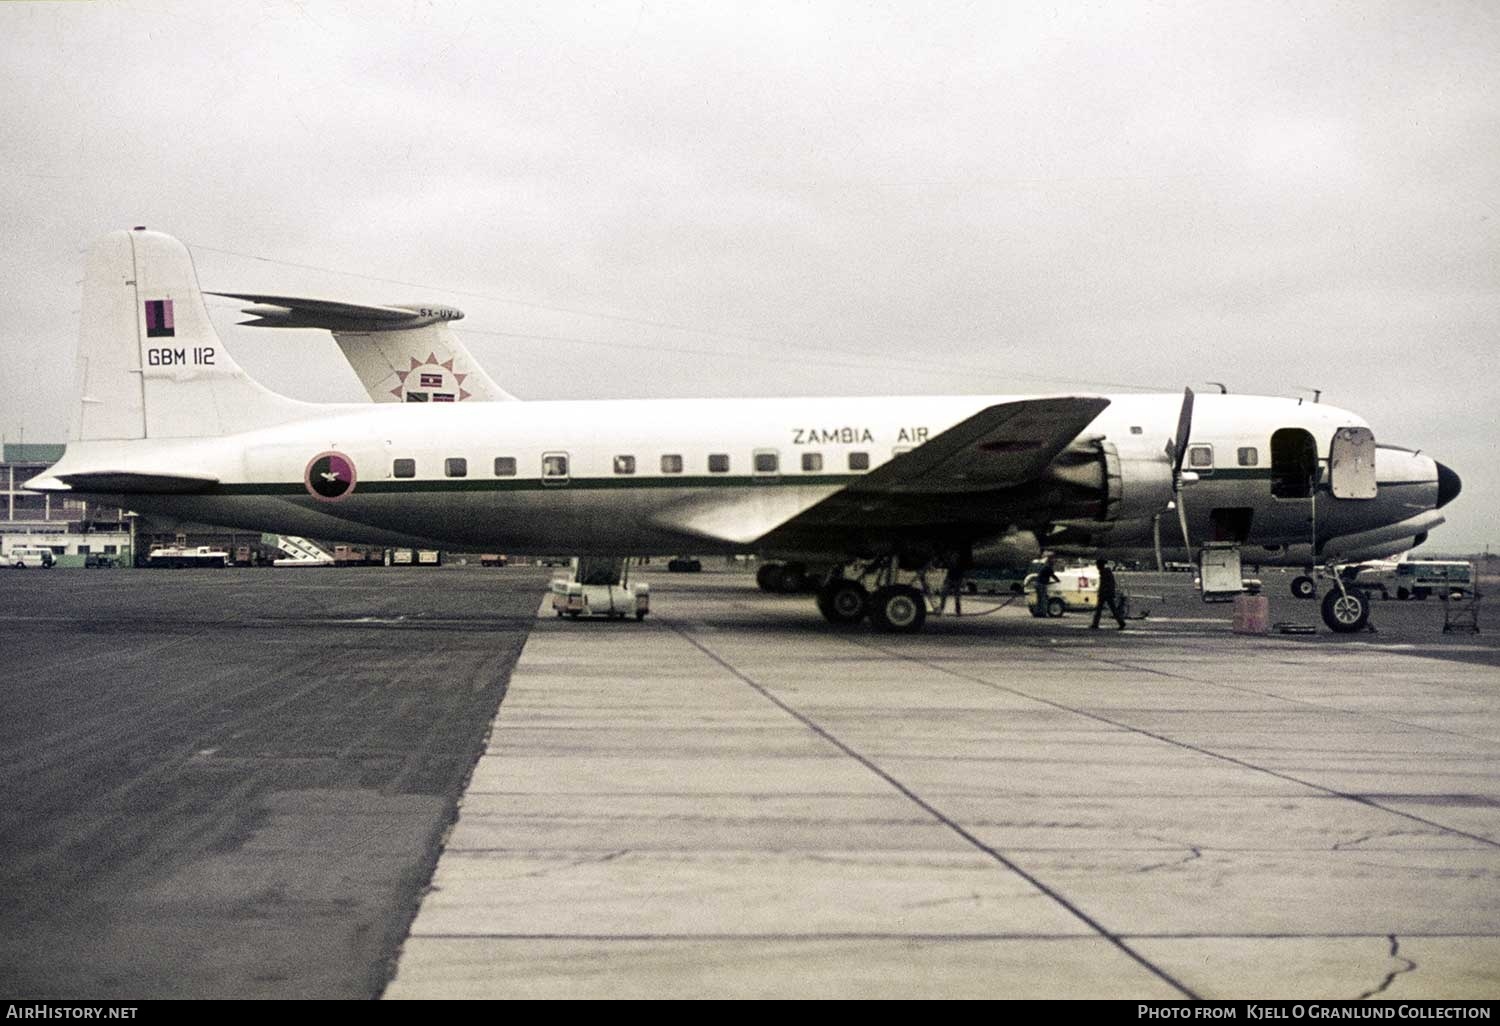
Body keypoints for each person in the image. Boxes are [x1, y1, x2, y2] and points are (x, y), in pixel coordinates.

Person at [1091, 557, 1127, 629]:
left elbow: (1104, 585)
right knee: (1111, 609)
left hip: (1105, 594)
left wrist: (1100, 592)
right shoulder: (1107, 572)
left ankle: (1095, 624)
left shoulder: (1104, 573)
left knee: (1101, 609)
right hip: (1108, 593)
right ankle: (1121, 622)